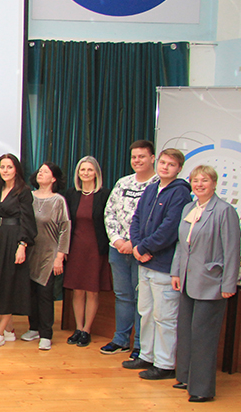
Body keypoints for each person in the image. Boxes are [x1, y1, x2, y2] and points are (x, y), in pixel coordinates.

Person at [171, 165, 240, 403]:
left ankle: (202, 388)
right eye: (195, 180)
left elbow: (232, 250)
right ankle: (186, 377)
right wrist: (176, 272)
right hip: (187, 280)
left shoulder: (224, 211)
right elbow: (181, 245)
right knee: (186, 332)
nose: (199, 184)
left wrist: (229, 283)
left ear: (214, 183)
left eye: (205, 180)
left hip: (211, 282)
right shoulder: (189, 208)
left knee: (203, 336)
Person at [123, 148, 190, 380]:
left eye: (171, 164)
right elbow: (136, 219)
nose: (165, 167)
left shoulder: (180, 193)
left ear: (179, 168)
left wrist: (145, 248)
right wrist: (136, 246)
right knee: (146, 312)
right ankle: (147, 355)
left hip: (163, 265)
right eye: (163, 163)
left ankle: (165, 364)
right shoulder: (152, 188)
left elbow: (169, 229)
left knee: (165, 317)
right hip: (144, 262)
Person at [101, 140, 157, 357]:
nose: (137, 161)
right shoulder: (123, 183)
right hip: (118, 249)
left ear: (152, 158)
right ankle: (121, 339)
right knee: (123, 296)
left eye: (142, 156)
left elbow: (155, 220)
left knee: (143, 299)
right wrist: (117, 240)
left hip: (143, 251)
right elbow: (109, 213)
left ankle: (141, 345)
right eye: (134, 157)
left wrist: (135, 243)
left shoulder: (159, 184)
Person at [0, 153, 36, 349]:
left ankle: (0, 331)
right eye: (2, 167)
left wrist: (22, 245)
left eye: (9, 167)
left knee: (9, 283)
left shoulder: (24, 191)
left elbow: (28, 221)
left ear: (17, 169)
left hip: (14, 240)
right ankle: (9, 329)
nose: (5, 170)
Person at [63, 156, 112, 348]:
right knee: (77, 290)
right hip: (76, 248)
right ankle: (78, 327)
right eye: (82, 170)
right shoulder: (71, 194)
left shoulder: (104, 194)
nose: (85, 173)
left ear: (96, 173)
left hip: (95, 249)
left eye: (90, 170)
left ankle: (86, 330)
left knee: (92, 290)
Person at [21, 163, 70, 350]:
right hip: (29, 252)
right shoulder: (29, 197)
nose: (41, 173)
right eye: (39, 171)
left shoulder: (58, 201)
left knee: (45, 294)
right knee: (31, 293)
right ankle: (33, 328)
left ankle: (46, 333)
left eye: (45, 172)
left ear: (54, 178)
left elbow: (65, 230)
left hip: (49, 254)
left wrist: (60, 256)